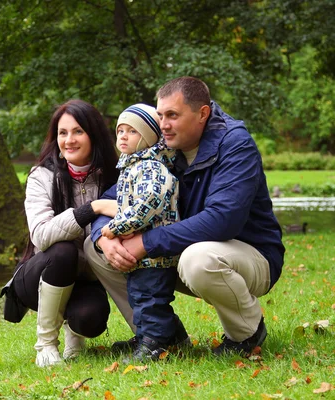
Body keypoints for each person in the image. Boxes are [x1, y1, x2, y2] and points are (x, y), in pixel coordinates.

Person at [84, 76, 285, 356]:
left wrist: (146, 242)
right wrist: (103, 238)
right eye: (160, 115)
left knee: (199, 259)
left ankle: (246, 335)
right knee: (99, 249)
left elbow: (222, 220)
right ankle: (158, 336)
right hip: (183, 249)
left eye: (173, 115)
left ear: (202, 114)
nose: (164, 124)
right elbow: (111, 198)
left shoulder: (235, 144)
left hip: (248, 256)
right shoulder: (161, 150)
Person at [0, 99, 120, 367]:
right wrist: (92, 208)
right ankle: (45, 345)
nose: (69, 140)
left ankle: (75, 336)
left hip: (87, 277)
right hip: (40, 275)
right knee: (63, 250)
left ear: (94, 135)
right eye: (62, 133)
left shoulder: (114, 178)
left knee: (92, 320)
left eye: (78, 131)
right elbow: (41, 237)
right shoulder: (41, 176)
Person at [99, 103, 189, 362]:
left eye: (132, 131)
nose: (123, 136)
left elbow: (148, 205)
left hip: (155, 250)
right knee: (141, 296)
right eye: (120, 131)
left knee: (150, 299)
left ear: (148, 137)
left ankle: (153, 345)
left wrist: (116, 227)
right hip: (143, 252)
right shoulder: (133, 165)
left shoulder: (150, 167)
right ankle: (173, 338)